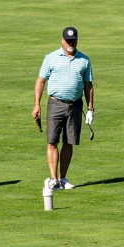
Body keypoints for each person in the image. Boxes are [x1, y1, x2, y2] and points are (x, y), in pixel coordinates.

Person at [33, 27, 94, 196]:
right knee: (52, 141)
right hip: (55, 104)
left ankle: (63, 178)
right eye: (68, 40)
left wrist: (90, 109)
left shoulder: (84, 60)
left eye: (73, 40)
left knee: (69, 142)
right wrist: (36, 105)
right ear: (62, 40)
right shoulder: (51, 58)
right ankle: (53, 180)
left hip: (75, 106)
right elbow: (40, 81)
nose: (71, 43)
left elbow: (88, 85)